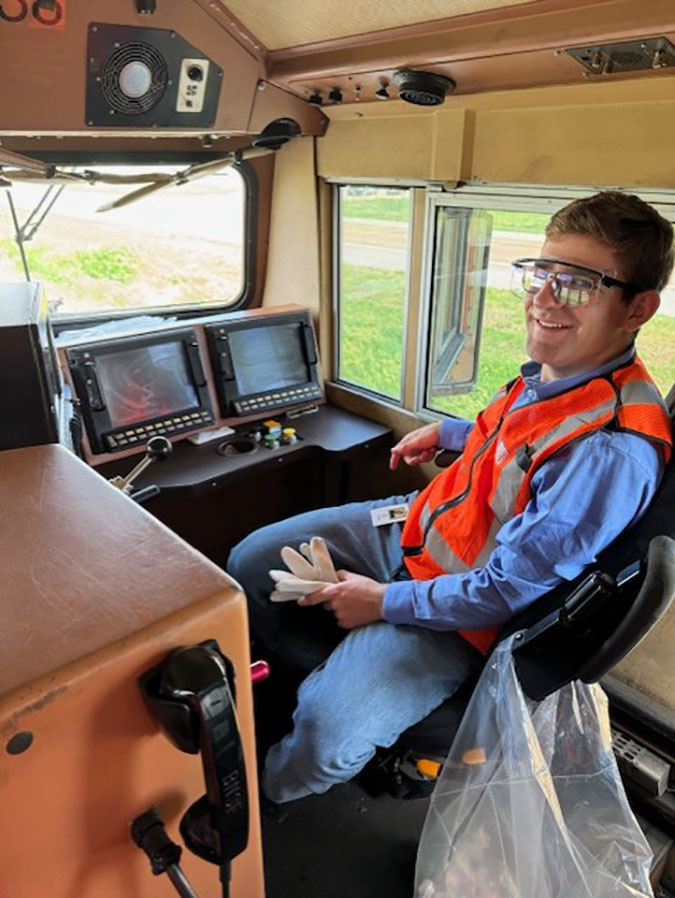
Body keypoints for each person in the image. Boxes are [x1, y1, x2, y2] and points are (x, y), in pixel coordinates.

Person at [228, 191, 674, 805]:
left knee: (330, 732)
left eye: (575, 285)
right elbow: (515, 441)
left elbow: (506, 590)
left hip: (466, 606)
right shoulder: (563, 370)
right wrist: (453, 433)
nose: (543, 299)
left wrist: (384, 603)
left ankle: (264, 790)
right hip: (421, 528)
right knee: (252, 559)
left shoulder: (607, 452)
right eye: (541, 274)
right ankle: (300, 681)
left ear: (637, 308)